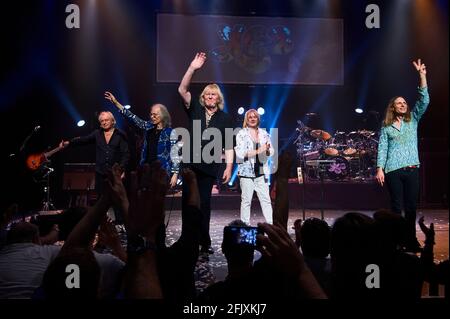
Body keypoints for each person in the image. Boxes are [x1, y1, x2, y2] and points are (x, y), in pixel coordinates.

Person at [178, 52, 234, 254]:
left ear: (218, 98)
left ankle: (204, 242)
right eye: (207, 94)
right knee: (188, 202)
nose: (210, 97)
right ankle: (187, 239)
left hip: (210, 165)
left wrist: (229, 166)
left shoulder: (226, 119)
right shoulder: (194, 109)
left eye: (213, 94)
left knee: (205, 203)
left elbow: (228, 145)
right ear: (203, 97)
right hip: (190, 164)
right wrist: (192, 68)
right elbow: (182, 89)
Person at [376, 58, 429, 253]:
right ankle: (397, 240)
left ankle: (411, 239)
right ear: (393, 107)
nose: (403, 104)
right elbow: (382, 147)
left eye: (405, 102)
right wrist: (379, 168)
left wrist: (422, 75)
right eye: (399, 103)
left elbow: (424, 100)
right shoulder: (386, 126)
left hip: (412, 168)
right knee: (396, 208)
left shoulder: (412, 119)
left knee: (411, 207)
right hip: (393, 170)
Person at [104, 92, 180, 187]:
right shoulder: (148, 126)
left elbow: (175, 155)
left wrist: (175, 174)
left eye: (155, 115)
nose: (152, 117)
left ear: (163, 116)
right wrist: (115, 103)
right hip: (146, 169)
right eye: (151, 114)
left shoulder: (170, 132)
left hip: (162, 171)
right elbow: (132, 117)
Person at [234, 109, 274, 225]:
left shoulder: (264, 133)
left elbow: (271, 150)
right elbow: (241, 153)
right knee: (246, 201)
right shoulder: (241, 134)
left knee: (266, 200)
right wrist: (258, 150)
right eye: (250, 117)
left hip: (261, 172)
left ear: (258, 119)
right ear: (247, 119)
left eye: (254, 117)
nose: (252, 119)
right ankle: (244, 226)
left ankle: (271, 226)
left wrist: (266, 151)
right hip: (247, 173)